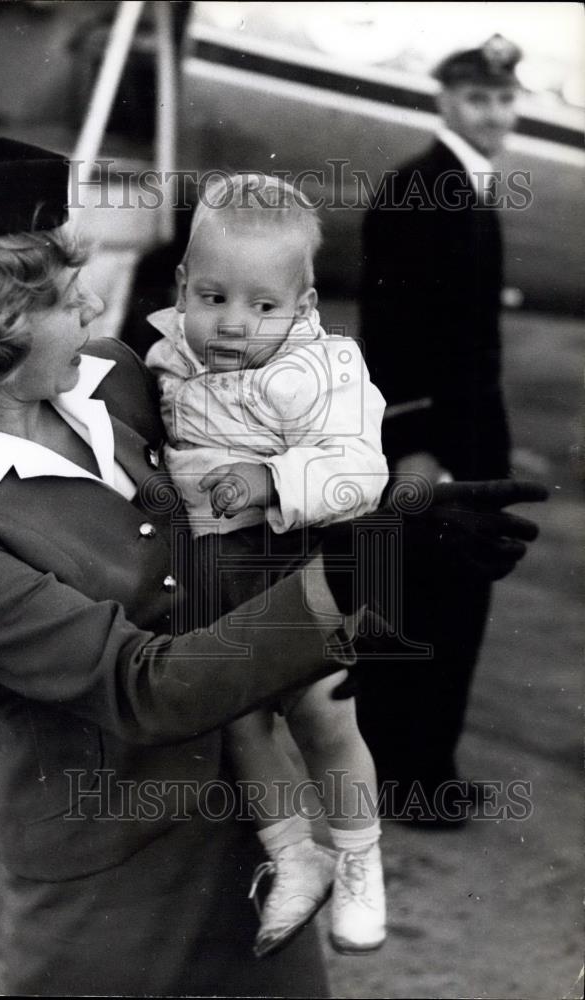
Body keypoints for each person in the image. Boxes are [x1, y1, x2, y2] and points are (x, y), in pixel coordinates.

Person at [0, 138, 544, 997]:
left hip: (261, 825)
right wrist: (359, 569)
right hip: (115, 874)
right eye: (56, 292)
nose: (90, 303)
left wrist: (387, 515)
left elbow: (249, 489)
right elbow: (140, 688)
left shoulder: (114, 377)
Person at [145, 174, 389, 957]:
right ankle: (295, 855)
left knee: (322, 713)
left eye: (264, 307)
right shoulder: (162, 356)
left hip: (297, 558)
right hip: (214, 572)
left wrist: (272, 479)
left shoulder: (326, 369)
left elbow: (360, 465)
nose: (233, 325)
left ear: (304, 306)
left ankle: (357, 856)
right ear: (182, 285)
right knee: (237, 716)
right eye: (212, 297)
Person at [357, 35, 523, 821]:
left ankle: (430, 766)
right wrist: (413, 438)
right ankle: (406, 778)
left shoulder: (464, 185)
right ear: (445, 102)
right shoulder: (418, 190)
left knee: (452, 600)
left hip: (467, 430)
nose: (495, 112)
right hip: (434, 437)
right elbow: (391, 330)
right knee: (428, 598)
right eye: (478, 99)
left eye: (502, 98)